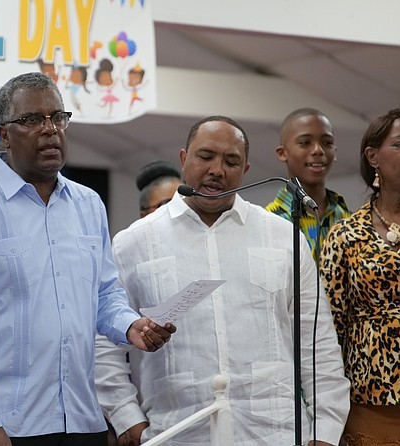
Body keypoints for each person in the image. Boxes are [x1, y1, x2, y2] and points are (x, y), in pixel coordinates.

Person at [0, 72, 175, 446]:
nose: (49, 129)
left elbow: (105, 295)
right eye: (32, 120)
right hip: (5, 425)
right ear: (4, 134)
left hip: (80, 419)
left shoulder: (88, 204)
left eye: (57, 117)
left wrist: (130, 326)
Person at [95, 116, 349, 445]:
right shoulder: (134, 243)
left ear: (245, 170)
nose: (218, 169)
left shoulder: (282, 237)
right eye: (205, 156)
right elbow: (104, 343)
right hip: (176, 434)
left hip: (274, 435)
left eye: (231, 161)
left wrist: (325, 431)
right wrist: (126, 417)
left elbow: (318, 346)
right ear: (184, 159)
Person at [321, 108, 400, 445]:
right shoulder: (344, 235)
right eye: (399, 144)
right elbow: (327, 332)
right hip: (370, 398)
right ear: (373, 157)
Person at [265, 108, 350, 260]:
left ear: (335, 152)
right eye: (305, 143)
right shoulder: (268, 221)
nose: (318, 150)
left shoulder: (349, 219)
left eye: (327, 143)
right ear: (282, 153)